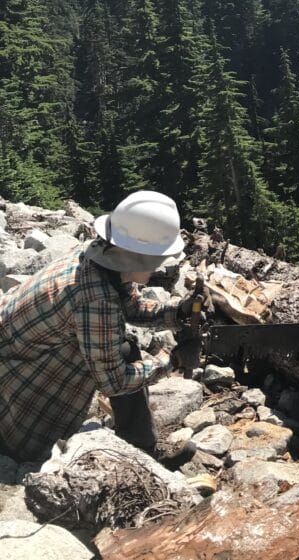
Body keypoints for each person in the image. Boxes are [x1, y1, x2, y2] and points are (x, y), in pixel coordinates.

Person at [0, 190, 204, 464]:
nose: (159, 267)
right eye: (158, 259)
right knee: (119, 353)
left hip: (15, 363)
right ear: (138, 256)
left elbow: (130, 307)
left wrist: (176, 312)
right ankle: (142, 453)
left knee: (122, 347)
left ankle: (143, 447)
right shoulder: (97, 300)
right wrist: (173, 361)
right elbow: (114, 381)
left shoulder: (95, 259)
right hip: (13, 403)